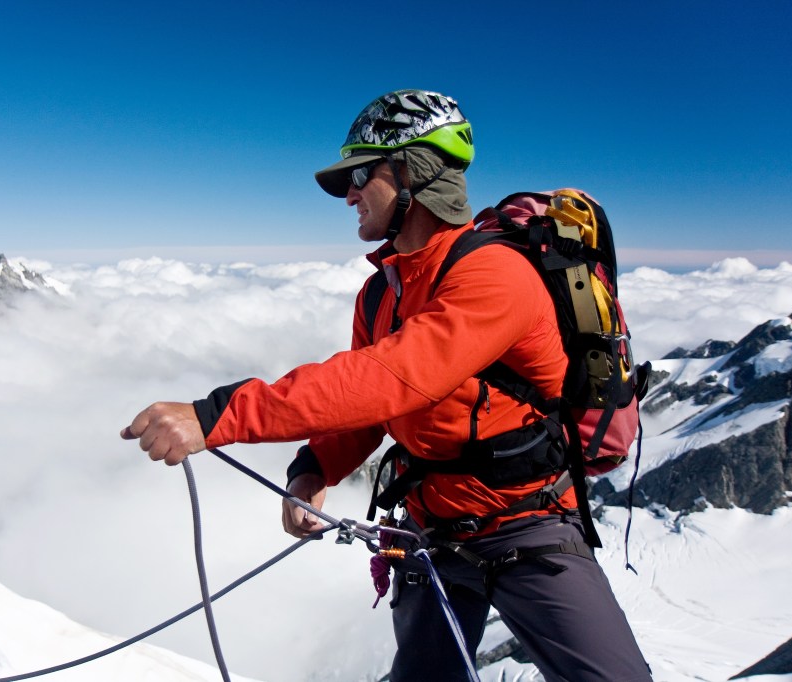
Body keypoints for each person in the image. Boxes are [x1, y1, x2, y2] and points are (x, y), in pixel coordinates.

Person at [121, 89, 652, 682]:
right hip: (428, 530)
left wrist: (216, 415)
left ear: (412, 172)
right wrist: (315, 468)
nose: (348, 195)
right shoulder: (381, 291)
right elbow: (368, 406)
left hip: (531, 525)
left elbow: (397, 377)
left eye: (359, 175)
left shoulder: (497, 274)